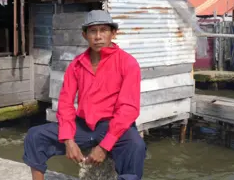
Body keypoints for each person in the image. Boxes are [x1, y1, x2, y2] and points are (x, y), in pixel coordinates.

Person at [23, 10, 146, 180]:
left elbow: (128, 109)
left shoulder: (128, 63)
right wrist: (68, 140)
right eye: (92, 31)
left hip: (113, 126)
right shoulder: (77, 65)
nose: (98, 36)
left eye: (103, 30)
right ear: (84, 35)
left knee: (136, 146)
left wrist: (104, 146)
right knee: (35, 135)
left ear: (113, 33)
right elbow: (65, 103)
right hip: (84, 126)